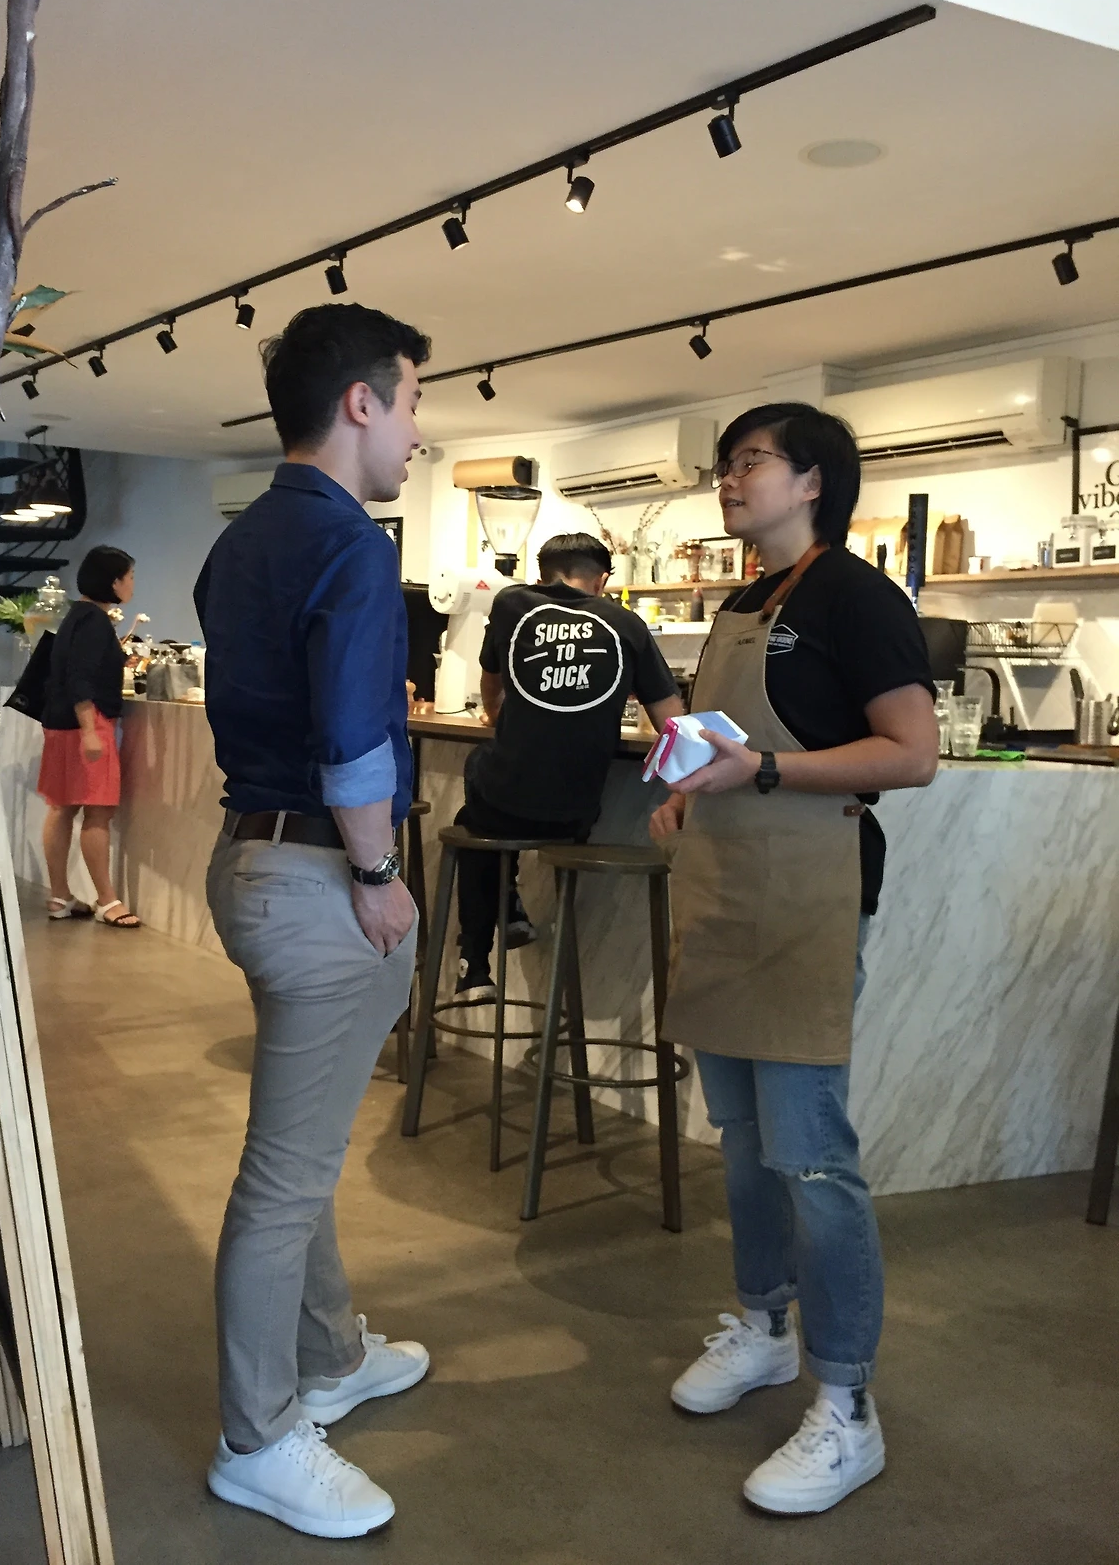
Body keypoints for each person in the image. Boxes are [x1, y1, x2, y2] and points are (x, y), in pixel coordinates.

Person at [652, 403, 937, 1516]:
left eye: (750, 462)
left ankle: (848, 1401)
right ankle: (765, 1325)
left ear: (813, 481)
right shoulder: (741, 601)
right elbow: (727, 744)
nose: (729, 479)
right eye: (724, 465)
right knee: (742, 1141)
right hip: (727, 891)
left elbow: (911, 754)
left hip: (809, 896)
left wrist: (762, 772)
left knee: (811, 1154)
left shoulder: (858, 598)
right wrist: (690, 791)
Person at [194, 303, 431, 1540]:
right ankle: (258, 1434)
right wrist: (379, 869)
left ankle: (329, 1352)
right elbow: (348, 740)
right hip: (319, 875)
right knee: (283, 1180)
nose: (415, 432)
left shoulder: (241, 541)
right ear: (360, 402)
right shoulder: (349, 543)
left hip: (250, 858)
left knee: (305, 1139)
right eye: (412, 402)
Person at [453, 531, 683, 998]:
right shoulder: (627, 624)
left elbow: (491, 682)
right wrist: (683, 790)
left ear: (541, 576)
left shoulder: (512, 604)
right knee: (486, 808)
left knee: (476, 799)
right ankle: (507, 910)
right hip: (576, 815)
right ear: (602, 580)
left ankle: (475, 961)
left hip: (504, 804)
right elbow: (673, 722)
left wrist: (497, 717)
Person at [38, 544, 141, 929]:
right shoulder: (96, 622)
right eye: (130, 577)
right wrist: (90, 732)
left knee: (61, 807)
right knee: (98, 813)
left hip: (59, 722)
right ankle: (107, 900)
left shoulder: (76, 616)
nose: (132, 584)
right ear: (113, 582)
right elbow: (80, 678)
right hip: (88, 723)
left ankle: (60, 896)